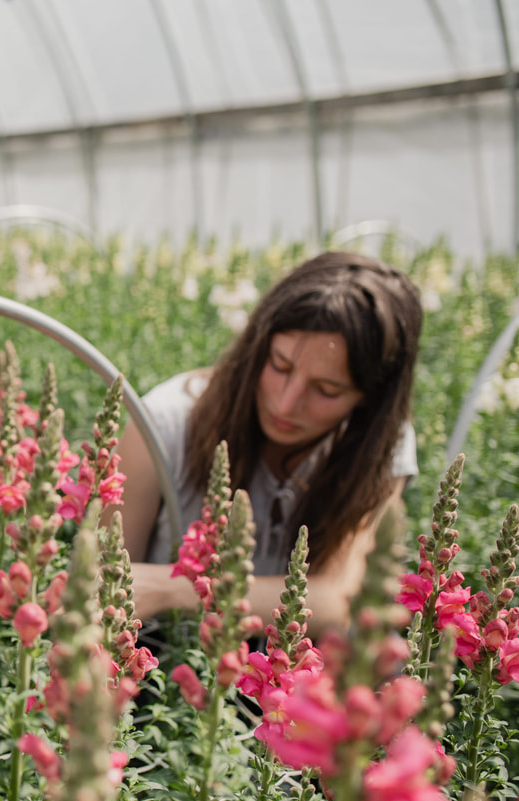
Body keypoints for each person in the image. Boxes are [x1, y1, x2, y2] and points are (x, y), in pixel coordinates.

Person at [116, 252, 423, 632]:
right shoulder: (163, 423)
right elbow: (107, 584)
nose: (286, 403)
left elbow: (335, 598)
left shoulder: (381, 445)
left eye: (326, 390)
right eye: (280, 366)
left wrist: (173, 589)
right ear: (256, 346)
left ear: (369, 401)